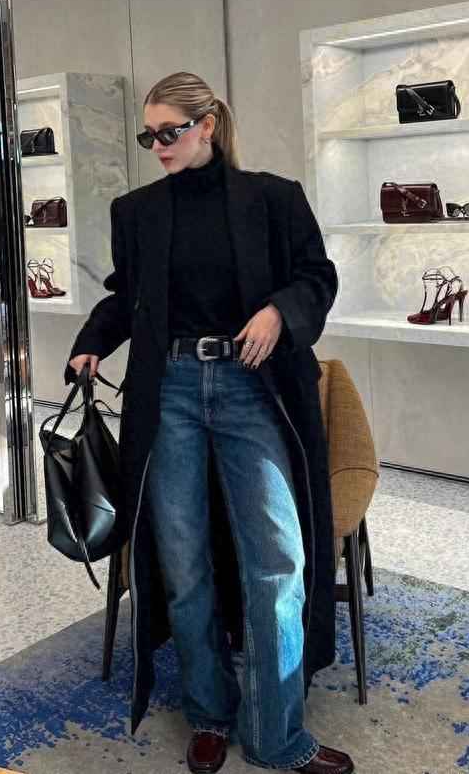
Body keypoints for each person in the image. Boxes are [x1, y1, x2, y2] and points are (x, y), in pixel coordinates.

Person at [66, 71, 353, 774]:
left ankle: (276, 733)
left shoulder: (273, 198)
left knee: (278, 560)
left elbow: (317, 277)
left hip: (252, 388)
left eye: (170, 132)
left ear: (208, 126)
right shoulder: (137, 211)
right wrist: (92, 340)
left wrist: (279, 311)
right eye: (149, 136)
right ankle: (208, 710)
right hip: (169, 392)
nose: (159, 145)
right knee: (183, 561)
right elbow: (127, 297)